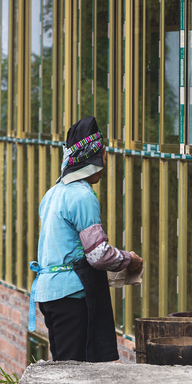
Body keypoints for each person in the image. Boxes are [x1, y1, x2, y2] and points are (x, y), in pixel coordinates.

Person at [28, 116, 143, 361]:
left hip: (49, 294)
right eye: (104, 155)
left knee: (63, 364)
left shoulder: (53, 194)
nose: (105, 161)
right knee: (75, 372)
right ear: (93, 159)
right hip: (71, 297)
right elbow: (98, 255)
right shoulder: (82, 196)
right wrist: (128, 259)